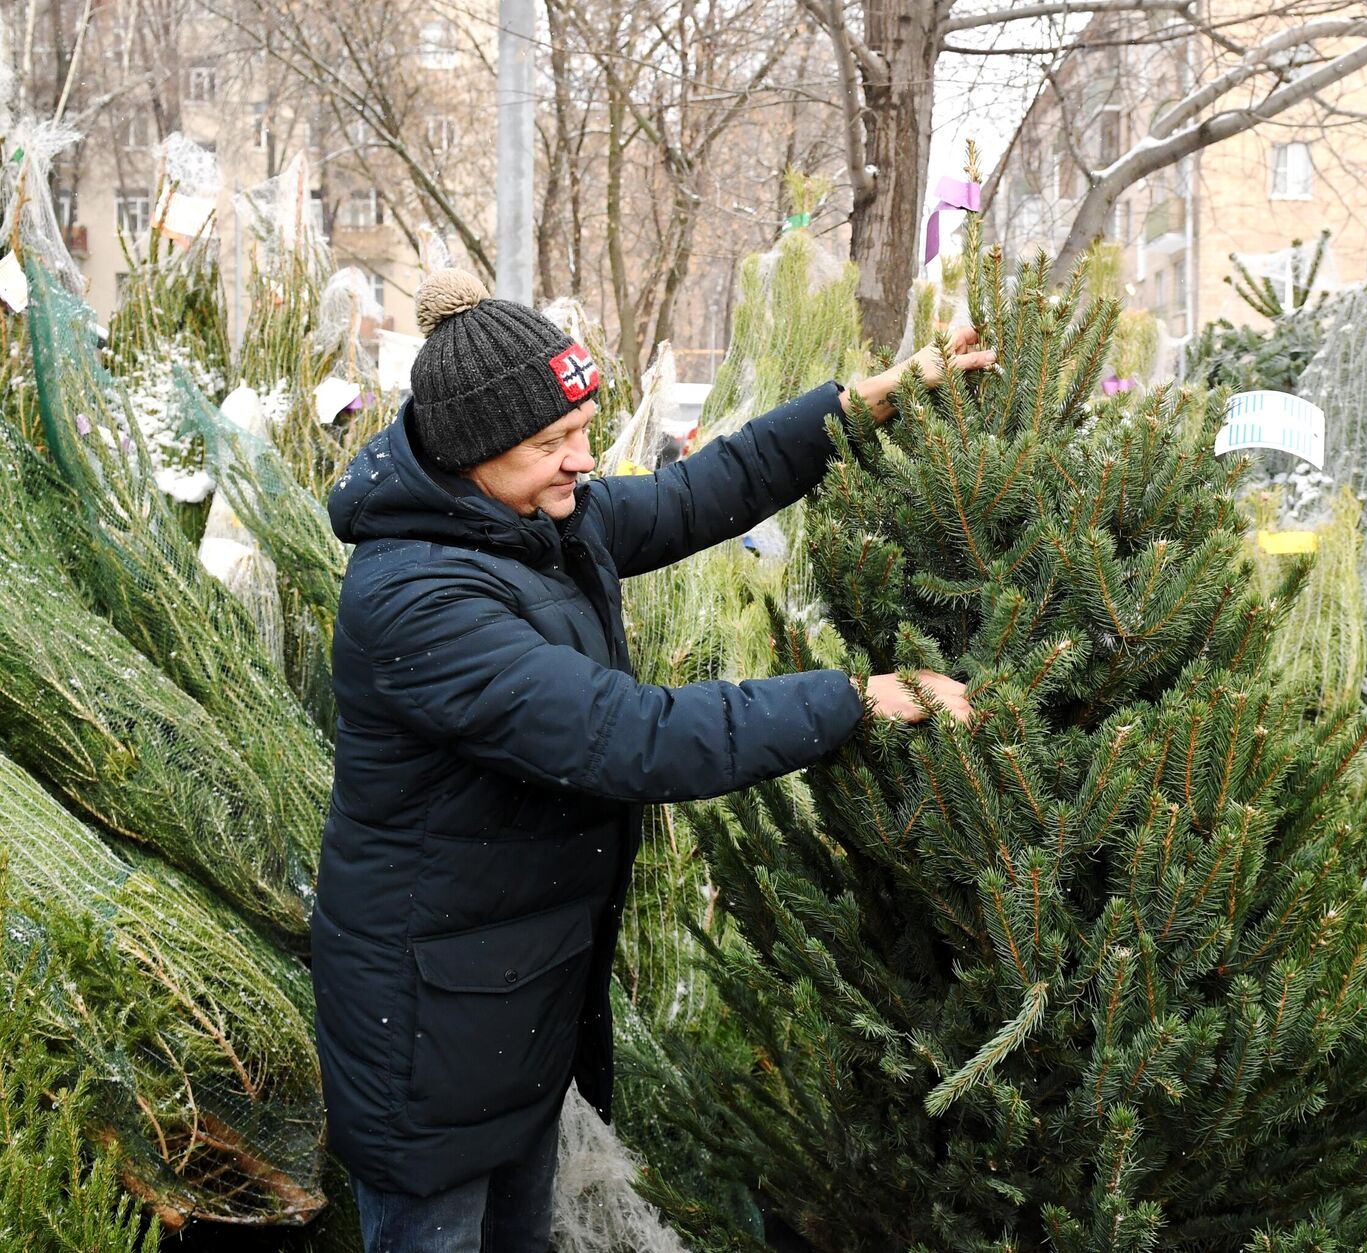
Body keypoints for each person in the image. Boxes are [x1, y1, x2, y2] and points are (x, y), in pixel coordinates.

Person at [312, 269, 991, 1253]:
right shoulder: (419, 597)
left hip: (509, 994)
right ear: (468, 454)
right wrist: (850, 696)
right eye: (551, 443)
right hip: (429, 1025)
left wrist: (873, 398)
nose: (582, 461)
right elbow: (632, 736)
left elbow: (695, 493)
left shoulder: (528, 520)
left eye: (582, 428)